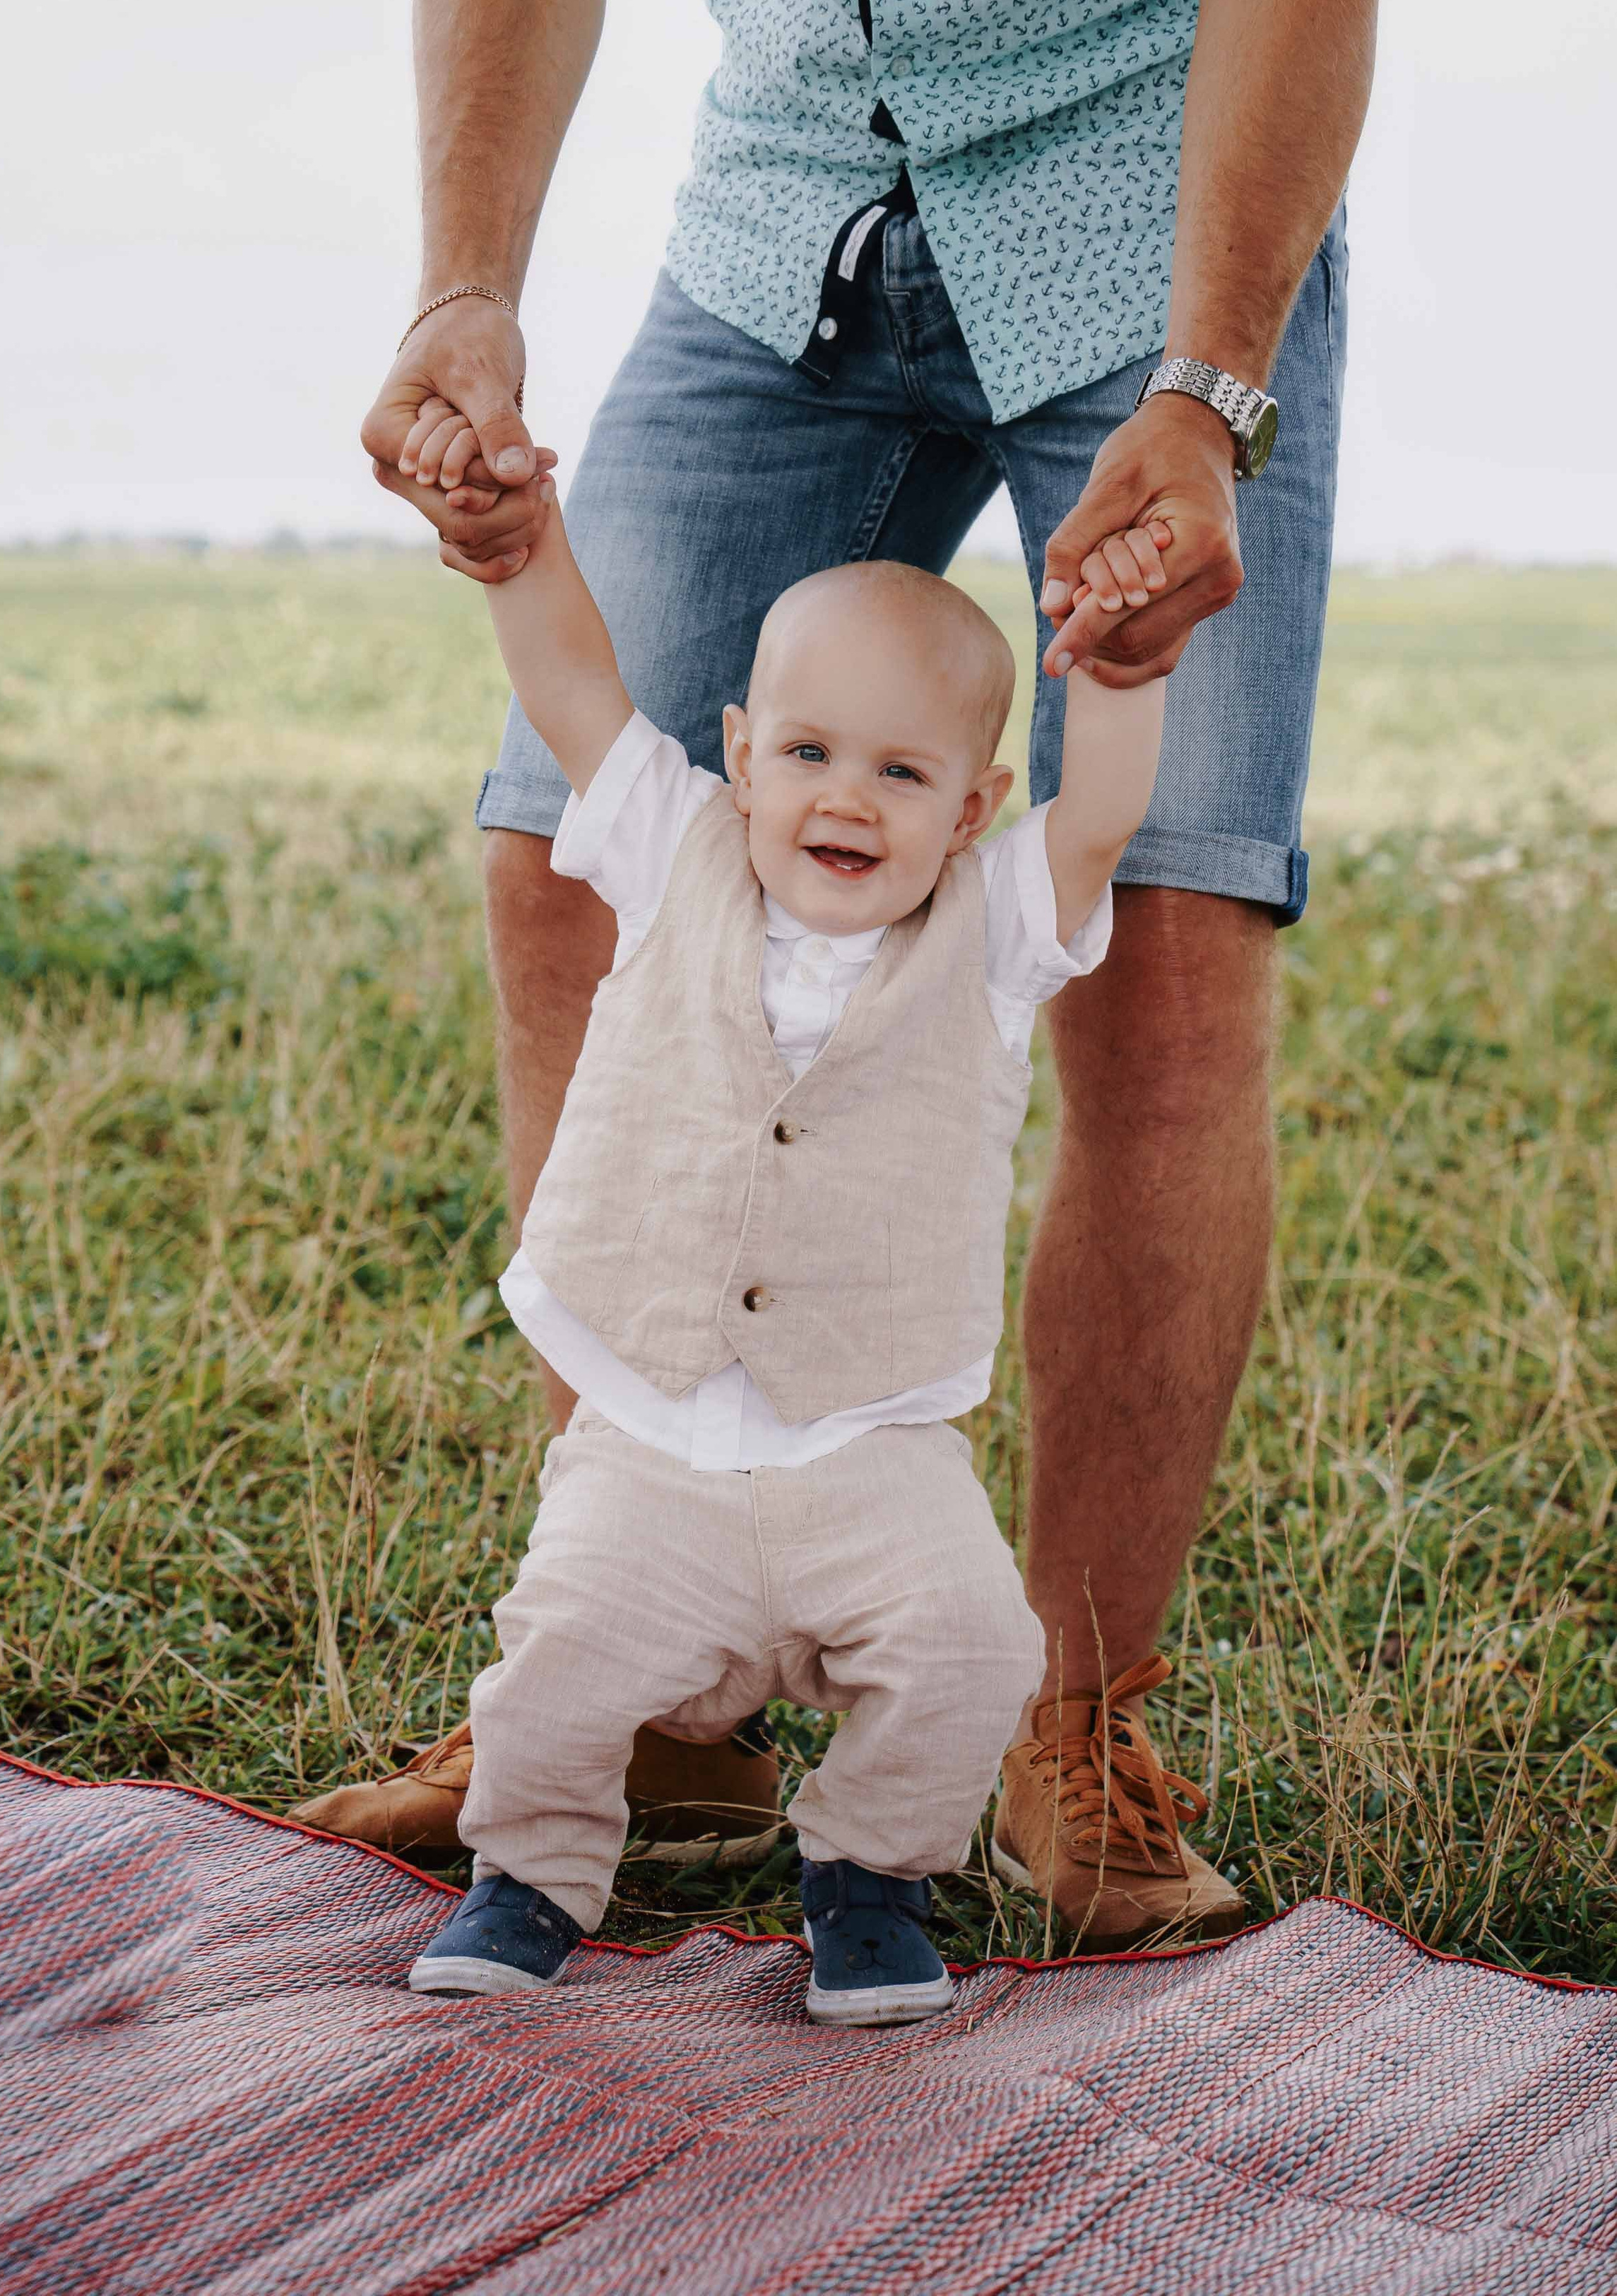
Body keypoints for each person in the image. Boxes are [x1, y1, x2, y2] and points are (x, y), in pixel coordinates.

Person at [298, 0, 1416, 1946]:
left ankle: (1067, 1729)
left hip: (1156, 203)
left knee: (1172, 946)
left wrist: (1213, 386)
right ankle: (668, 1713)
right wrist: (460, 276)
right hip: (788, 180)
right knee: (567, 866)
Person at [402, 502, 1168, 2015]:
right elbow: (566, 682)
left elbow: (1098, 818)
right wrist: (517, 548)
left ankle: (870, 1877)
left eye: (901, 771)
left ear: (968, 808)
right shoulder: (670, 842)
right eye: (809, 753)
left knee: (967, 1648)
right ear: (742, 755)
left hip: (871, 1440)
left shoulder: (997, 928)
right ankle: (533, 1876)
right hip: (651, 1429)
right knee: (555, 1654)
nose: (847, 797)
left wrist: (1128, 662)